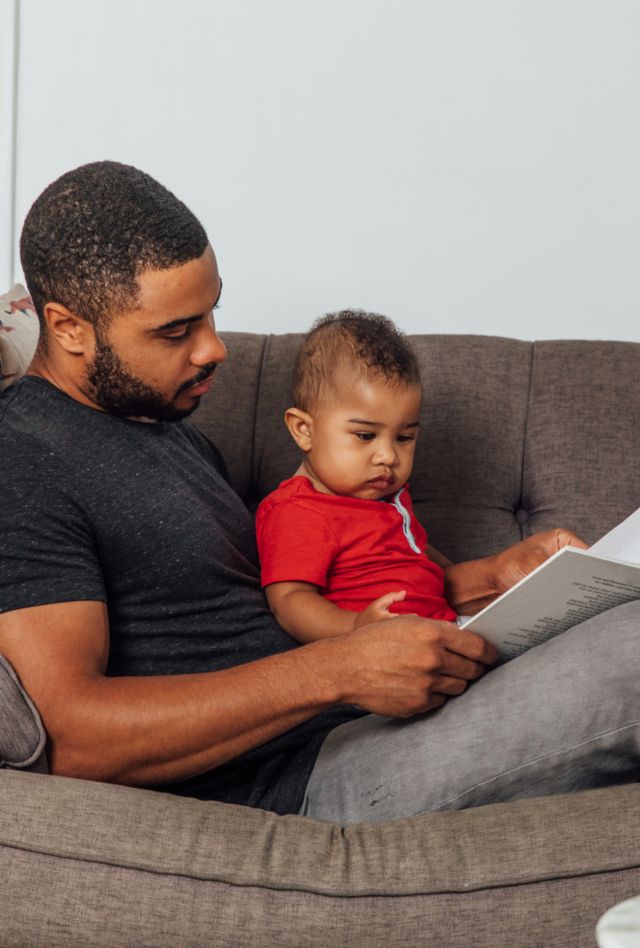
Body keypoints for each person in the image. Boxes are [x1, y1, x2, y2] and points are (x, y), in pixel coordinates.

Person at [1, 161, 638, 824]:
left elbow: (334, 592)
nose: (214, 348)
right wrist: (339, 671)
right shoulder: (24, 460)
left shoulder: (164, 425)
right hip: (289, 785)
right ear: (68, 326)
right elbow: (65, 739)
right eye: (175, 331)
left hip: (346, 725)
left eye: (211, 314)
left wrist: (491, 580)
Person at [256, 310, 459, 643]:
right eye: (366, 436)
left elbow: (418, 557)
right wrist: (354, 627)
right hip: (379, 655)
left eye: (404, 438)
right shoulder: (299, 511)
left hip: (446, 631)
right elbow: (289, 601)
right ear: (304, 430)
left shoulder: (387, 498)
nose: (388, 457)